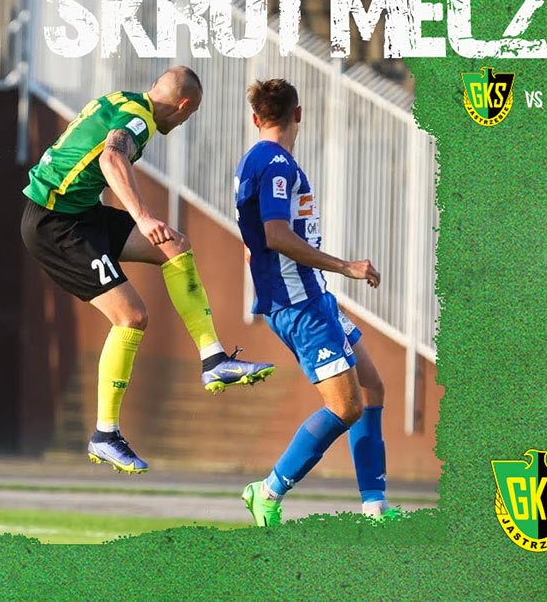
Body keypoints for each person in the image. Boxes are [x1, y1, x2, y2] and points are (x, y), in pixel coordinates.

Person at [20, 66, 275, 474]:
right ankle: (105, 434)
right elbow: (111, 156)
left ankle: (213, 360)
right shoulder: (140, 120)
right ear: (184, 106)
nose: (184, 122)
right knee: (132, 316)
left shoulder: (123, 100)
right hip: (56, 225)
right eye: (189, 115)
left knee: (175, 246)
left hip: (80, 213)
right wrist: (141, 216)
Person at [233, 79, 398, 525]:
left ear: (255, 119)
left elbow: (254, 238)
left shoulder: (252, 162)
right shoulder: (277, 164)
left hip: (311, 296)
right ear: (299, 114)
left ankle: (375, 505)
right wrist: (346, 266)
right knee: (346, 406)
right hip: (301, 306)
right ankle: (267, 491)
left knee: (372, 386)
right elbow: (275, 235)